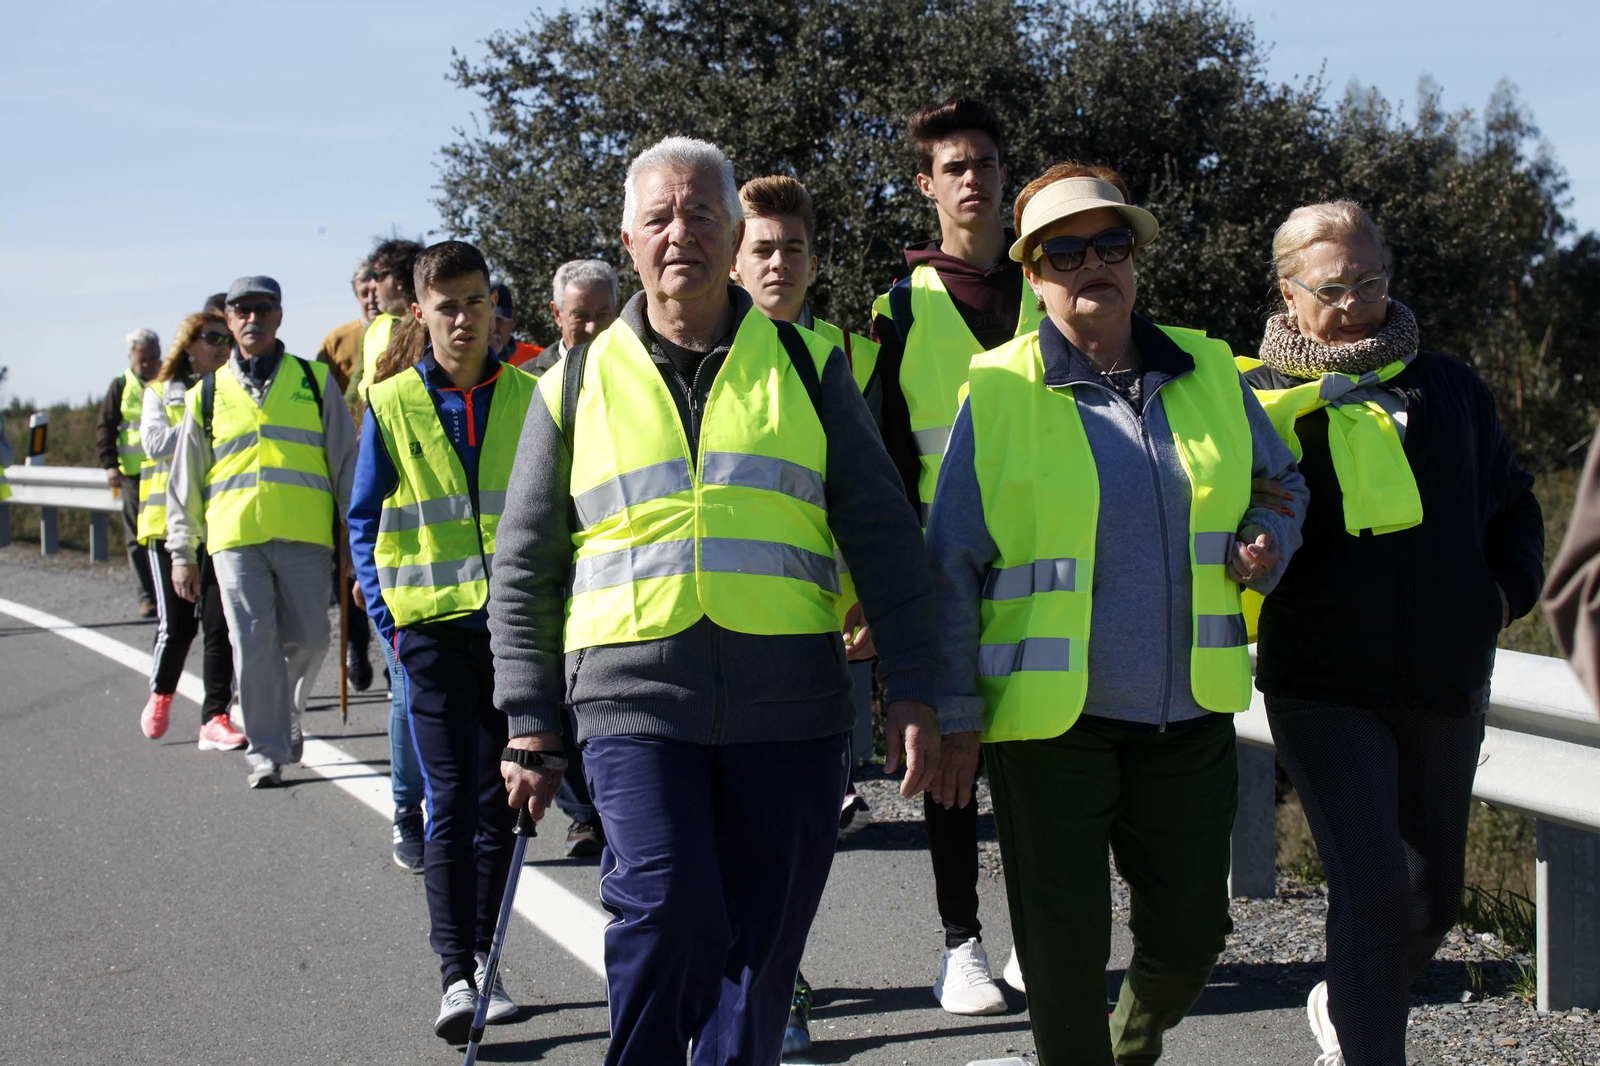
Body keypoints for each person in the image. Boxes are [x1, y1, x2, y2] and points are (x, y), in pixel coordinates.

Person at [488, 136, 944, 1066]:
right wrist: (530, 720)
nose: (680, 233)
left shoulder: (812, 367)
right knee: (665, 912)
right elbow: (526, 561)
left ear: (733, 231)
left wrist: (919, 689)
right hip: (633, 700)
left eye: (701, 214)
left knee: (763, 955)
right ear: (628, 238)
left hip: (797, 707)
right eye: (659, 217)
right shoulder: (571, 383)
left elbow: (887, 538)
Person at [930, 162, 1307, 1066]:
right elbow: (950, 564)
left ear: (1135, 259)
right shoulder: (998, 388)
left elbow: (1282, 480)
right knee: (1062, 956)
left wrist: (1265, 536)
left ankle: (1126, 1049)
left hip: (1190, 713)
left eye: (1111, 244)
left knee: (1191, 937)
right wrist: (951, 711)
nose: (1092, 263)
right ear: (1033, 274)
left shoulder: (1209, 367)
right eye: (1066, 250)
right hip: (1049, 725)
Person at [1242, 201, 1543, 1066]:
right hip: (1322, 683)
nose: (1357, 305)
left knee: (1431, 900)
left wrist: (1498, 600)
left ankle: (1347, 1001)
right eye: (1333, 289)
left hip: (1445, 675)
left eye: (1372, 282)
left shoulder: (1448, 385)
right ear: (1288, 293)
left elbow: (1515, 504)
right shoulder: (1256, 399)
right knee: (1372, 889)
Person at [868, 97, 1041, 1014]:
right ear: (927, 186)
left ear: (1005, 177)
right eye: (955, 165)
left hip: (1049, 567)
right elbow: (888, 458)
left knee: (1043, 756)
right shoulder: (896, 309)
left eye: (985, 161)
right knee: (947, 764)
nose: (972, 177)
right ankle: (959, 942)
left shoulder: (1052, 287)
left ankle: (1032, 938)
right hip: (940, 575)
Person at [349, 241, 541, 1042]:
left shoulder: (536, 395)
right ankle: (456, 976)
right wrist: (391, 625)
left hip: (516, 635)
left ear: (495, 304)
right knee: (452, 803)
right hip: (429, 632)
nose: (462, 320)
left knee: (503, 809)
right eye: (446, 306)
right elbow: (362, 521)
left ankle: (487, 967)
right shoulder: (391, 402)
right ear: (419, 314)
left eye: (475, 302)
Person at [730, 172, 887, 1055]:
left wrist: (864, 589)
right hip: (721, 634)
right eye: (763, 248)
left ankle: (777, 971)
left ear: (815, 260)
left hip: (821, 632)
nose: (779, 262)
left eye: (793, 248)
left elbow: (863, 494)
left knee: (802, 833)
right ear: (735, 259)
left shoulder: (839, 355)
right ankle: (767, 985)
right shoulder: (711, 348)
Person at [166, 276, 358, 789]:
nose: (253, 318)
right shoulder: (205, 395)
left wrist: (351, 539)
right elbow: (184, 482)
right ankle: (267, 749)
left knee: (312, 638)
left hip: (306, 536)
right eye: (242, 310)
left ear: (278, 317)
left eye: (263, 309)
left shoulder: (315, 382)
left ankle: (286, 712)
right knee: (252, 646)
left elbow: (345, 464)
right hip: (234, 540)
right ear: (228, 320)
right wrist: (181, 551)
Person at [136, 312, 241, 749]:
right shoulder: (161, 393)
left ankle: (215, 716)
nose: (220, 345)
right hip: (168, 529)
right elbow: (155, 444)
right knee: (178, 627)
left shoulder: (234, 393)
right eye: (211, 337)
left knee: (221, 626)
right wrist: (199, 419)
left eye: (226, 338)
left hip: (219, 525)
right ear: (189, 342)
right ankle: (161, 695)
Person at [96, 328, 163, 618]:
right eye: (142, 358)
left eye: (153, 358)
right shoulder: (120, 386)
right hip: (133, 476)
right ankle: (147, 597)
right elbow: (105, 428)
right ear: (131, 357)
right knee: (137, 538)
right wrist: (110, 465)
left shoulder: (171, 381)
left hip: (167, 473)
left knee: (171, 537)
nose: (148, 364)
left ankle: (171, 596)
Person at [352, 238, 426, 403]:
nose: (372, 285)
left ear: (399, 280)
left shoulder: (433, 325)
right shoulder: (375, 327)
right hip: (374, 421)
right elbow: (356, 386)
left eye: (377, 275)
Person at [525, 259, 622, 376]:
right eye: (580, 316)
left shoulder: (637, 369)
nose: (592, 328)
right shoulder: (527, 379)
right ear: (557, 314)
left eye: (602, 315)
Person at [317, 259, 380, 394]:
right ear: (356, 296)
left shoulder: (404, 333)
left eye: (376, 291)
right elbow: (319, 389)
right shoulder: (335, 341)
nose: (371, 299)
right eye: (364, 294)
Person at [487, 280, 546, 371]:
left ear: (514, 318)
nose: (493, 326)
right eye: (487, 319)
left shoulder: (542, 360)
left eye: (499, 319)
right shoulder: (461, 362)